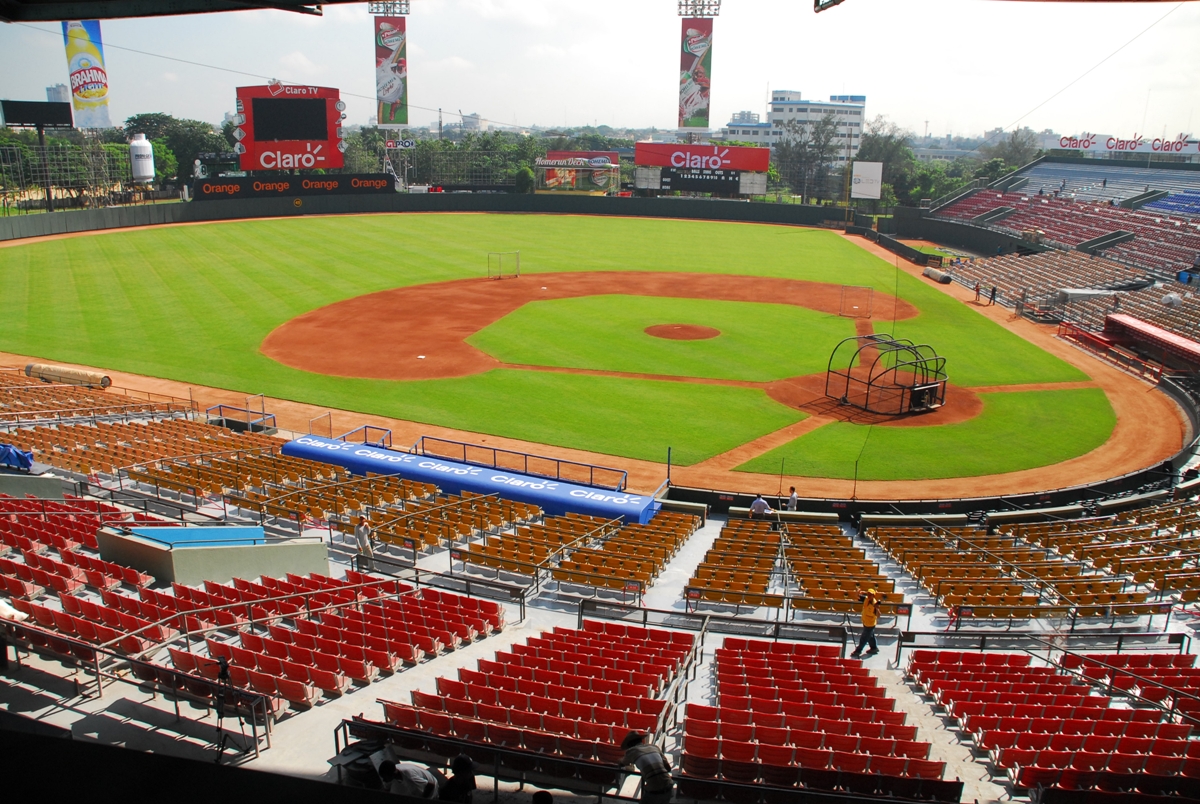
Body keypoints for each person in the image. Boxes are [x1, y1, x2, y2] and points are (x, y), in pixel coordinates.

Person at [620, 731, 674, 804]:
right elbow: (668, 768)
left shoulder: (631, 752)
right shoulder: (654, 747)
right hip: (669, 787)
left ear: (629, 745)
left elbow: (622, 763)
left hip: (654, 791)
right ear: (641, 740)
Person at [849, 587, 882, 659]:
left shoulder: (874, 604)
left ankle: (858, 651)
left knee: (864, 638)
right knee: (870, 636)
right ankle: (874, 648)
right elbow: (856, 596)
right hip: (865, 621)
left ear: (874, 596)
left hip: (870, 624)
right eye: (868, 594)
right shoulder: (866, 599)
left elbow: (878, 615)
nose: (869, 596)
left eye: (871, 595)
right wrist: (857, 591)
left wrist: (877, 608)